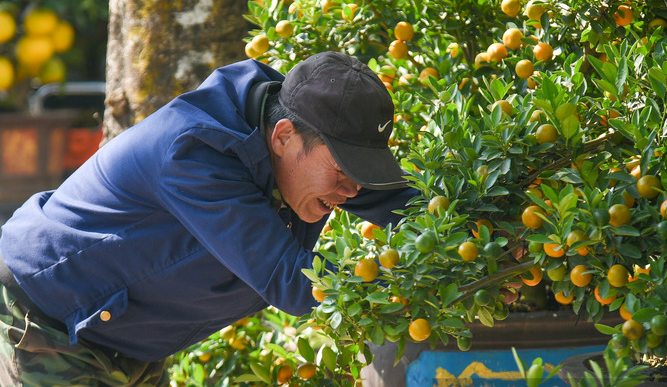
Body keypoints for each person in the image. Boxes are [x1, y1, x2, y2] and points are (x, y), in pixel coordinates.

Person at [0, 51, 416, 386]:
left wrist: (466, 232)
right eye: (342, 170)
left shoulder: (298, 126)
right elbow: (295, 283)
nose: (351, 191)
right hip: (44, 317)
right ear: (284, 136)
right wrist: (410, 280)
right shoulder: (195, 154)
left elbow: (407, 207)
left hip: (128, 343)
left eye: (363, 173)